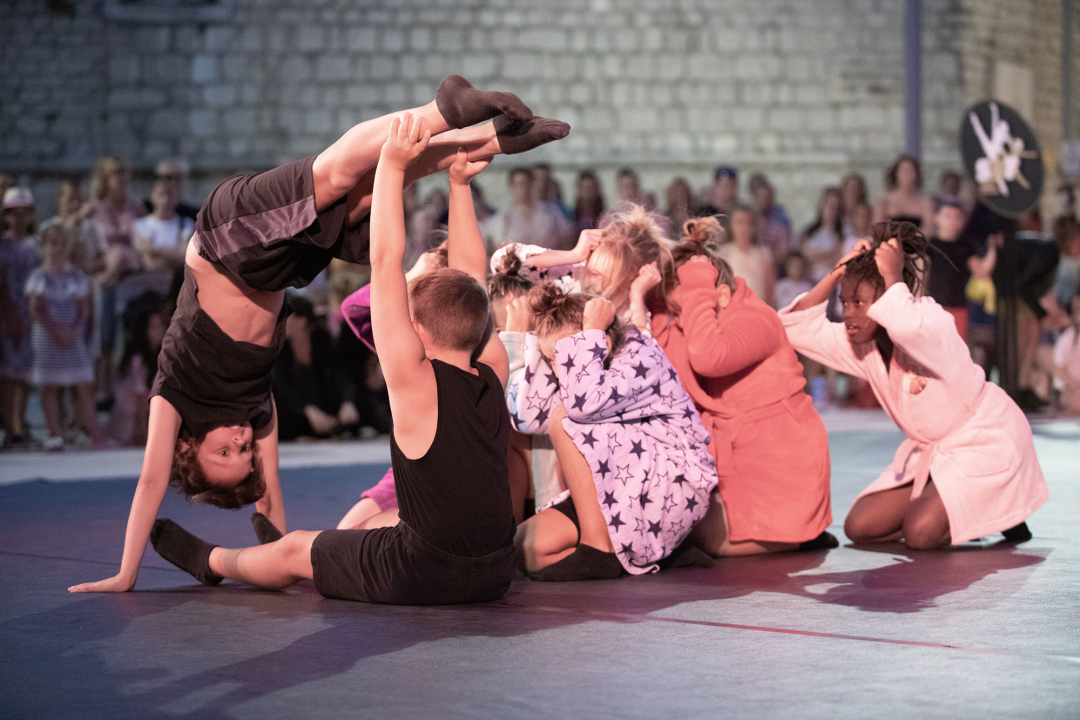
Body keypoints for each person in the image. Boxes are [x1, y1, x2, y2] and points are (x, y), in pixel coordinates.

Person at [69, 74, 568, 594]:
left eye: (226, 453)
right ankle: (480, 143)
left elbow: (152, 482)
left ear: (189, 446)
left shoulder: (174, 395)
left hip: (226, 245)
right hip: (283, 268)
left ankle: (445, 112)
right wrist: (455, 184)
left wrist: (127, 572)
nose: (243, 445)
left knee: (334, 178)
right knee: (356, 198)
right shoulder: (256, 407)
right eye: (244, 456)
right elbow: (271, 494)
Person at [147, 113, 518, 605]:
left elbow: (386, 259)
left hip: (424, 570)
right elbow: (473, 284)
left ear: (417, 335)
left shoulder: (413, 379)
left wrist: (390, 167)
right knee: (369, 522)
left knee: (296, 548)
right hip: (496, 566)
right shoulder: (494, 370)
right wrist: (458, 186)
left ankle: (211, 560)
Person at [780, 221, 1048, 549]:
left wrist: (893, 276)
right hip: (936, 455)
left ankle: (993, 509)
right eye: (844, 302)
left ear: (886, 297)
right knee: (859, 526)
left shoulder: (930, 319)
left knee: (920, 533)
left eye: (859, 302)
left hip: (986, 442)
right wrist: (837, 272)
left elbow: (906, 327)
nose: (848, 314)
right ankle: (956, 506)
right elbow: (794, 330)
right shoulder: (860, 344)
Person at [508, 282, 717, 580]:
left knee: (562, 417)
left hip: (666, 489)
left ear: (601, 342)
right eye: (550, 360)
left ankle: (599, 549)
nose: (556, 370)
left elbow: (582, 405)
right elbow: (527, 416)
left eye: (559, 358)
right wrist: (528, 342)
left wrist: (591, 330)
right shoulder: (583, 371)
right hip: (618, 492)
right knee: (523, 548)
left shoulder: (638, 353)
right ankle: (647, 556)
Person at [651, 217, 834, 556]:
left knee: (689, 534)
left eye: (691, 304)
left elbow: (709, 357)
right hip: (737, 458)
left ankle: (799, 534)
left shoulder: (757, 318)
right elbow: (661, 348)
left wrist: (694, 286)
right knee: (665, 517)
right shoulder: (693, 321)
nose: (682, 317)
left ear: (718, 294)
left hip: (780, 463)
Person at [26, 221, 100, 450]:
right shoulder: (38, 277)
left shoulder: (76, 276)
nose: (57, 248)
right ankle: (54, 433)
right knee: (49, 386)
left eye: (61, 243)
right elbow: (35, 310)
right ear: (44, 246)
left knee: (84, 383)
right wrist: (56, 331)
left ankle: (92, 432)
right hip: (47, 339)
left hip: (72, 338)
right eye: (52, 243)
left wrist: (73, 331)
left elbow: (83, 309)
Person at [272, 295, 359, 440]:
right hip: (291, 414)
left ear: (302, 320)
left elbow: (340, 373)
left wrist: (347, 402)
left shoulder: (321, 340)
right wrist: (307, 410)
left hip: (325, 409)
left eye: (285, 317)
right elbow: (281, 385)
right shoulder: (277, 346)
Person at [0, 187, 41, 448]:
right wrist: (9, 313)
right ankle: (10, 427)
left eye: (24, 213)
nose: (19, 218)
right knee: (8, 374)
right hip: (9, 314)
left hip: (33, 316)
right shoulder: (3, 246)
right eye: (14, 213)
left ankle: (21, 424)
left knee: (26, 373)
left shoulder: (36, 245)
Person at [925, 201, 998, 341]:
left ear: (962, 221)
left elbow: (981, 271)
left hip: (957, 308)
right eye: (947, 216)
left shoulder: (966, 247)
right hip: (932, 308)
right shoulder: (928, 246)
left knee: (955, 349)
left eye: (956, 217)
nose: (951, 221)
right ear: (937, 218)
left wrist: (993, 247)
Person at [106, 291, 165, 446]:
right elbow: (140, 397)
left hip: (146, 407)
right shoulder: (138, 359)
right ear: (143, 331)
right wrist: (143, 430)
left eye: (160, 327)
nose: (160, 332)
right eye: (153, 327)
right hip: (130, 413)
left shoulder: (161, 356)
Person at [491, 166, 572, 250]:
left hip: (550, 260)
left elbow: (567, 238)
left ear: (533, 184)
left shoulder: (552, 210)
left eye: (527, 183)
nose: (524, 189)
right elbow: (500, 247)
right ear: (511, 187)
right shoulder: (503, 217)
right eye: (519, 184)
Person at [718, 204, 775, 306]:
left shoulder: (763, 253)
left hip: (758, 309)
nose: (745, 227)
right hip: (733, 309)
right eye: (739, 223)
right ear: (731, 225)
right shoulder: (723, 253)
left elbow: (770, 287)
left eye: (749, 223)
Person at [133, 179, 195, 274]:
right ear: (152, 196)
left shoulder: (187, 224)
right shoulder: (142, 225)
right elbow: (149, 263)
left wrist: (154, 250)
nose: (165, 200)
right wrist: (174, 254)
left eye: (170, 195)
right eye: (161, 195)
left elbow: (185, 257)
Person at [873, 154, 935, 233]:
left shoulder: (925, 202)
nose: (906, 174)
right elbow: (878, 228)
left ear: (916, 174)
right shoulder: (884, 202)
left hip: (917, 243)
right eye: (903, 170)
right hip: (890, 243)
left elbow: (929, 229)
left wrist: (912, 239)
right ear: (896, 173)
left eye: (910, 170)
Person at [799, 187, 845, 285]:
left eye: (836, 207)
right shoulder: (809, 232)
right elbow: (803, 255)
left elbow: (838, 258)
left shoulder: (843, 233)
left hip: (831, 284)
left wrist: (815, 255)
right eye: (830, 205)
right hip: (809, 283)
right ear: (822, 206)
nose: (832, 210)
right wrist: (829, 254)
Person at [749, 173, 792, 260]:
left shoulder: (780, 220)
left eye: (767, 197)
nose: (764, 201)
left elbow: (784, 250)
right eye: (761, 197)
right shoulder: (746, 220)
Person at [1052, 287, 1080, 414]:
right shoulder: (1066, 339)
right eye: (1076, 311)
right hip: (1071, 390)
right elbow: (1059, 369)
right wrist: (1072, 385)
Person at [572, 170, 605, 235]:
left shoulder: (604, 216)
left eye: (591, 187)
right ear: (579, 189)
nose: (588, 191)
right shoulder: (571, 216)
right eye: (585, 188)